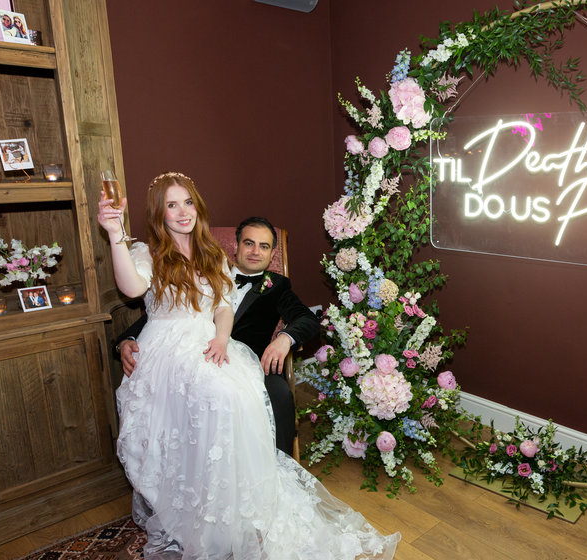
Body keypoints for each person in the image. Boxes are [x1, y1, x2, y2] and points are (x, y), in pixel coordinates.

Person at [97, 171, 398, 559]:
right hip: (168, 354)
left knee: (234, 401)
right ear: (237, 245)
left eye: (188, 202)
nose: (182, 211)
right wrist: (115, 236)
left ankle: (237, 507)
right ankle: (200, 507)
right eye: (172, 204)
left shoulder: (226, 262)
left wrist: (265, 338)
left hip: (217, 347)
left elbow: (233, 308)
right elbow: (136, 292)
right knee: (217, 401)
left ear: (273, 252)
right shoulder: (148, 254)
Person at [116, 215, 318, 454]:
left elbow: (307, 319)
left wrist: (284, 339)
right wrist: (127, 340)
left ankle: (277, 468)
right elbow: (166, 314)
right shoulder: (204, 270)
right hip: (192, 360)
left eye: (264, 246)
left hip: (250, 363)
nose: (255, 251)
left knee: (279, 394)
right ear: (236, 246)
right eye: (249, 243)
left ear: (272, 254)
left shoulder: (277, 286)